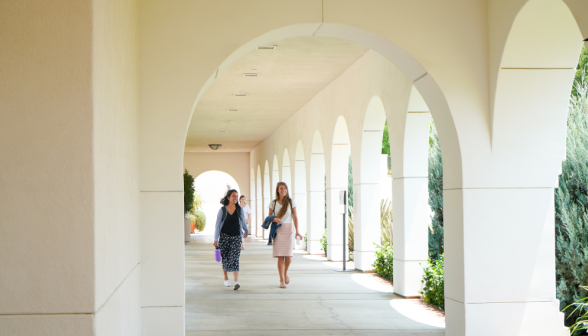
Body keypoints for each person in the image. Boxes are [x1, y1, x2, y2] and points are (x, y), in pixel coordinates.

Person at [268, 182, 302, 289]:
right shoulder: (273, 203)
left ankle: (286, 272)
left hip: (288, 229)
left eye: (285, 188)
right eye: (281, 188)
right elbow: (269, 217)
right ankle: (281, 280)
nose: (283, 190)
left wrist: (297, 231)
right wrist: (274, 219)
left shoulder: (291, 202)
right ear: (278, 190)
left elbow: (295, 217)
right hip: (278, 230)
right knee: (280, 256)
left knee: (288, 256)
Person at [214, 189, 248, 290]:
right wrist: (216, 239)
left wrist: (246, 231)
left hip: (236, 237)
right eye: (233, 196)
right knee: (225, 258)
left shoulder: (239, 209)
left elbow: (243, 221)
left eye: (237, 196)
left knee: (235, 258)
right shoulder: (222, 210)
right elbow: (217, 225)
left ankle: (236, 282)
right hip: (224, 237)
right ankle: (226, 279)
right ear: (228, 197)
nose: (235, 198)